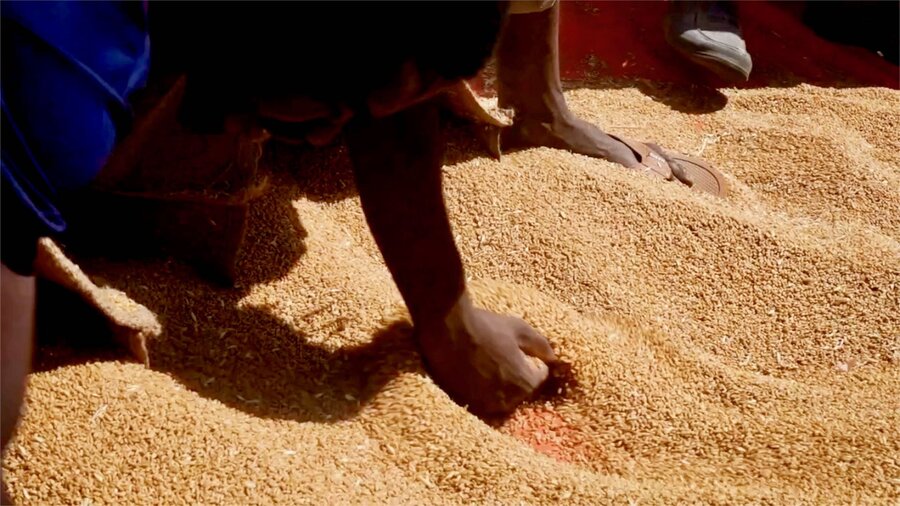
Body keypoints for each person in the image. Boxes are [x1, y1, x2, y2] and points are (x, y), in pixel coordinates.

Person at [2, 4, 560, 502]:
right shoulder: (56, 73)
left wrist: (448, 312)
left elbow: (392, 49)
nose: (324, 140)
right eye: (338, 105)